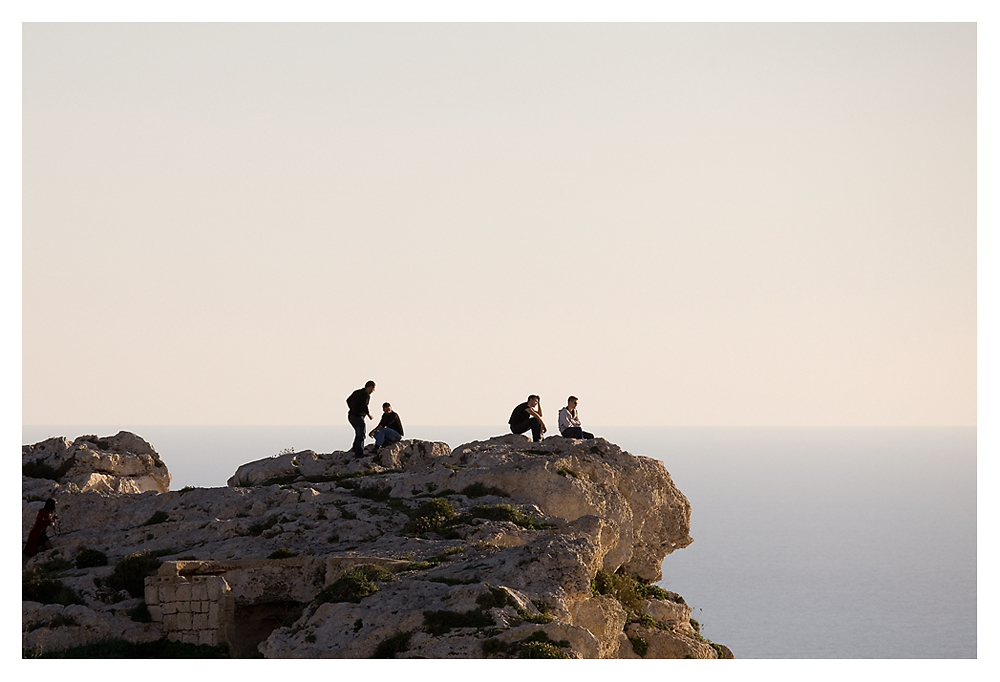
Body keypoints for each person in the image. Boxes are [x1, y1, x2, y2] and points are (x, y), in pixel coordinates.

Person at [346, 381, 376, 458]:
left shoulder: (357, 392)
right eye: (373, 389)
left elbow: (348, 400)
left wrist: (352, 408)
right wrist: (369, 415)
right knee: (361, 434)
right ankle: (359, 454)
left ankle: (355, 448)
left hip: (351, 415)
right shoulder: (366, 394)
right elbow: (364, 405)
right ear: (371, 387)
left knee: (358, 433)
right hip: (358, 416)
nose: (373, 391)